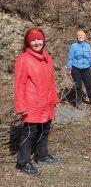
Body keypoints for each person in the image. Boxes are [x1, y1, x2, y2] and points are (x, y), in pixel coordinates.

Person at [13, 27, 61, 176]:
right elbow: (19, 85)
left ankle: (42, 156)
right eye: (33, 40)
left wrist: (54, 98)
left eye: (39, 39)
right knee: (29, 133)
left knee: (44, 130)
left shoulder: (47, 58)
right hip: (32, 104)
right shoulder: (23, 59)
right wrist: (21, 106)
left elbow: (51, 82)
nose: (37, 42)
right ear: (28, 42)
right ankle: (23, 162)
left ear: (43, 40)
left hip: (46, 103)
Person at [66, 30, 91, 109]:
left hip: (86, 68)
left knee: (89, 85)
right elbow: (70, 58)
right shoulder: (74, 46)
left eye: (82, 36)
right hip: (76, 68)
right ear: (77, 37)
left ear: (85, 37)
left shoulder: (88, 46)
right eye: (79, 36)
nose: (81, 37)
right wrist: (69, 68)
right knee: (78, 86)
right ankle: (78, 103)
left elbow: (90, 57)